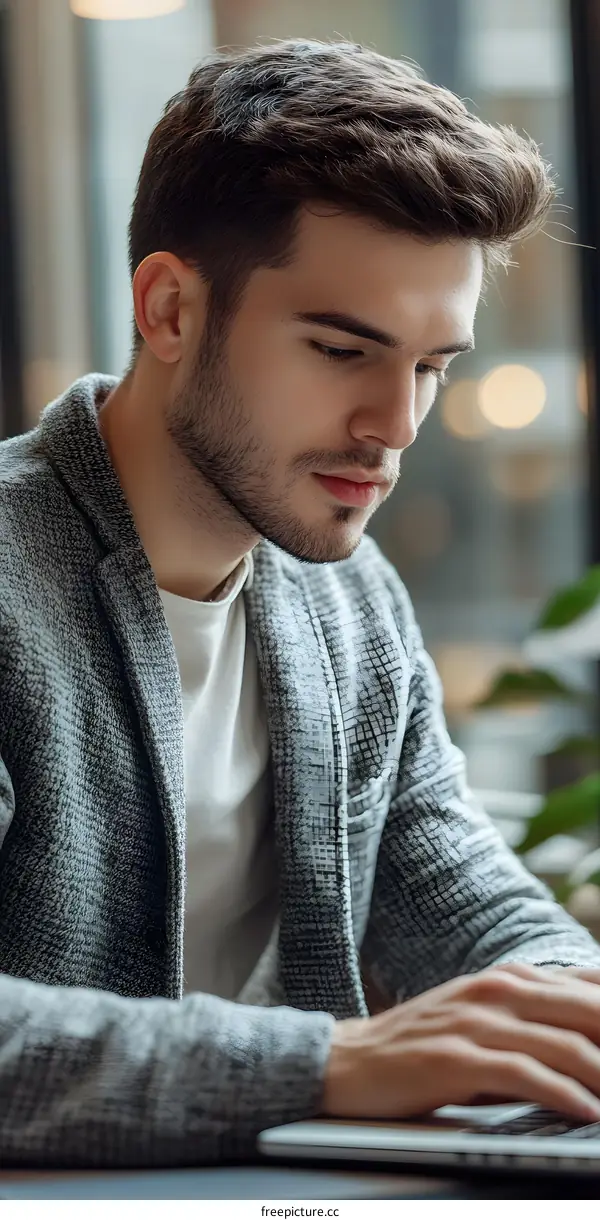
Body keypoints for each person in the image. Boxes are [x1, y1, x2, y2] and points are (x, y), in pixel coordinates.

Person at [1, 37, 600, 1172]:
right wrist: (333, 1062)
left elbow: (467, 895)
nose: (398, 425)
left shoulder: (351, 598)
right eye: (342, 349)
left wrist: (570, 1005)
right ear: (171, 309)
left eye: (433, 365)